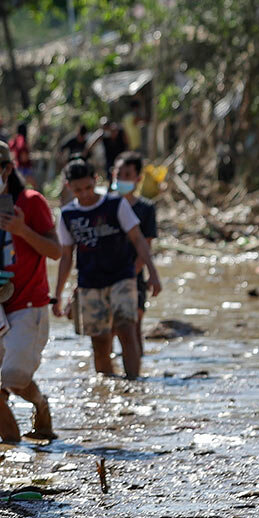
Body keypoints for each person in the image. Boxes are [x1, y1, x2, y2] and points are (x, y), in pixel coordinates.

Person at [0, 140, 63, 443]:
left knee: (15, 378)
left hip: (28, 304)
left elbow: (55, 251)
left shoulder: (32, 202)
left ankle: (39, 404)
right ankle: (11, 451)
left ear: (8, 169)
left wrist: (23, 230)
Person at [52, 159, 162, 379]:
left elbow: (138, 240)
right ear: (68, 187)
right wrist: (57, 295)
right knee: (100, 341)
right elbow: (66, 257)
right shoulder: (67, 215)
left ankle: (133, 384)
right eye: (78, 190)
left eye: (88, 188)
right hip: (90, 283)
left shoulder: (115, 205)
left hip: (122, 277)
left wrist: (153, 273)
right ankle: (107, 388)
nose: (84, 194)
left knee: (127, 331)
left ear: (96, 180)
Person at [113, 151, 158, 358]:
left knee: (134, 328)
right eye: (118, 173)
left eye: (127, 174)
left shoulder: (145, 209)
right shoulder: (106, 204)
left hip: (133, 275)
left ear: (137, 178)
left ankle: (137, 381)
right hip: (106, 274)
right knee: (108, 330)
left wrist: (132, 274)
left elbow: (145, 246)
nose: (121, 178)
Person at [8, 122, 34, 187]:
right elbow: (23, 152)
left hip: (18, 166)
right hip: (23, 167)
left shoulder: (15, 138)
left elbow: (10, 147)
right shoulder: (21, 139)